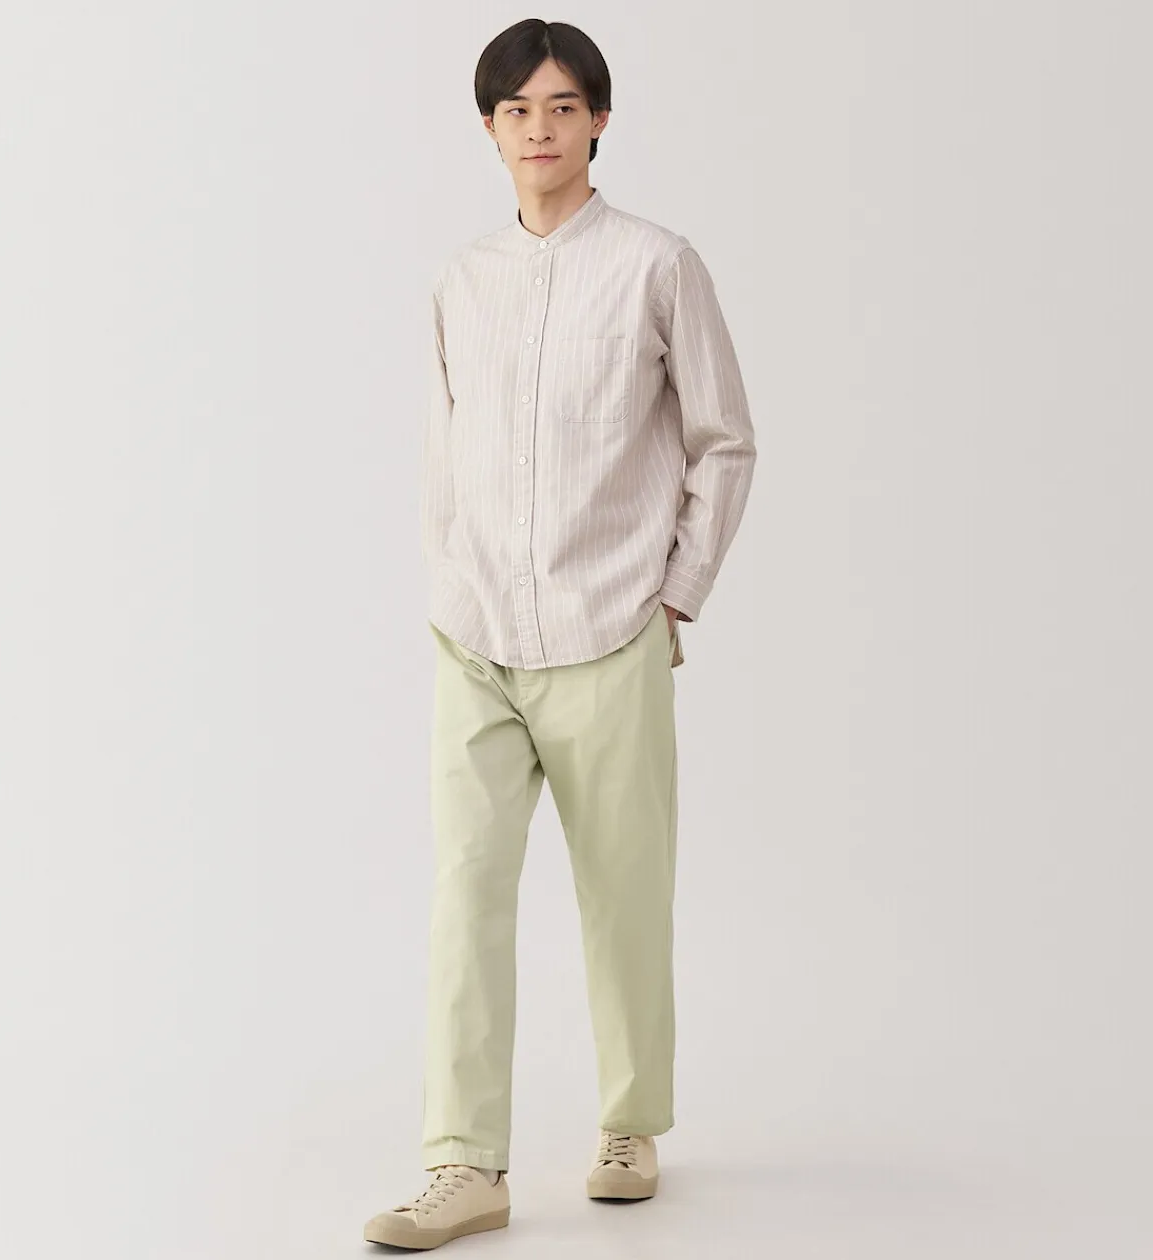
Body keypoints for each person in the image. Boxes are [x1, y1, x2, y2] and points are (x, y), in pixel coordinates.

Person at [363, 17, 756, 1250]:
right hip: (475, 636)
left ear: (599, 120)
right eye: (518, 110)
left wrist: (675, 596)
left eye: (562, 106)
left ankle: (630, 1125)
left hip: (609, 630)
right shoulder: (460, 281)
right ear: (489, 130)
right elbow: (444, 453)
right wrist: (448, 581)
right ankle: (464, 1164)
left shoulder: (657, 265)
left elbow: (724, 441)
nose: (540, 128)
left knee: (624, 896)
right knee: (465, 899)